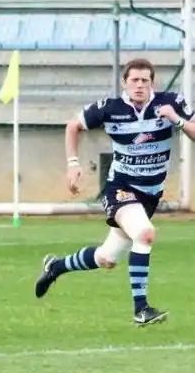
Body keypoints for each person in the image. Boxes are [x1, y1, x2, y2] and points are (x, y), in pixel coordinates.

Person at [35, 58, 195, 325]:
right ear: (125, 83)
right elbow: (73, 126)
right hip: (121, 188)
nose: (140, 85)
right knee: (145, 234)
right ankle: (141, 310)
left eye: (145, 80)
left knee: (106, 257)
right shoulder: (110, 108)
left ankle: (56, 266)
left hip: (150, 194)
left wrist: (176, 120)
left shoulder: (172, 103)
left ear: (152, 83)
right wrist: (73, 163)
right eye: (134, 80)